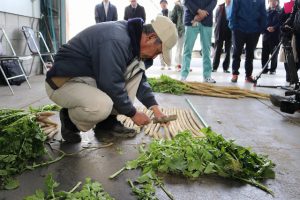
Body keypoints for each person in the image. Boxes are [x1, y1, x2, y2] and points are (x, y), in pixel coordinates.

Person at [45, 16, 178, 143]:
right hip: (64, 82)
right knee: (101, 106)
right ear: (151, 38)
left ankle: (107, 124)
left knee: (134, 74)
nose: (155, 57)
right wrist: (133, 114)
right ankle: (69, 121)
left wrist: (155, 108)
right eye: (158, 51)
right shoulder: (116, 40)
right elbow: (111, 83)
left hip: (87, 78)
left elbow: (139, 79)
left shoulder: (133, 42)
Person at [226, 0, 267, 83]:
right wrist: (233, 27)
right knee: (237, 52)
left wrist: (261, 28)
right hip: (239, 29)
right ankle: (235, 74)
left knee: (250, 54)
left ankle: (248, 75)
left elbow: (263, 14)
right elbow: (232, 11)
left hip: (254, 30)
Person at [181, 0, 217, 83]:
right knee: (187, 49)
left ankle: (207, 75)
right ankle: (183, 75)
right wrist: (198, 11)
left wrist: (204, 13)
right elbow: (186, 1)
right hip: (191, 19)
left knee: (206, 50)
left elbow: (214, 1)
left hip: (207, 20)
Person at [261, 0, 281, 75]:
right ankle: (264, 69)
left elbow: (281, 22)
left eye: (274, 1)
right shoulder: (265, 11)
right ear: (268, 2)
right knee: (264, 53)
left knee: (274, 54)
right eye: (271, 1)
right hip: (266, 35)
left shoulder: (281, 11)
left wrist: (274, 28)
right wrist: (267, 28)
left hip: (276, 36)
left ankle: (273, 69)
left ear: (277, 2)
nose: (273, 2)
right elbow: (262, 22)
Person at [212, 1, 232, 73]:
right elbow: (216, 20)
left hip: (230, 31)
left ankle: (225, 68)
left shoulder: (233, 6)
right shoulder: (220, 7)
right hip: (220, 31)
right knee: (217, 49)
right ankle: (214, 67)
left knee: (228, 50)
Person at [170, 0, 185, 72]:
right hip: (180, 30)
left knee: (186, 49)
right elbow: (172, 17)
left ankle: (185, 65)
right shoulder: (177, 6)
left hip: (189, 29)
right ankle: (177, 65)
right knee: (179, 48)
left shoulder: (189, 4)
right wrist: (175, 28)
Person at [159, 0, 172, 70]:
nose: (163, 4)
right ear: (160, 5)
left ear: (167, 4)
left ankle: (169, 64)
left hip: (169, 33)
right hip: (161, 33)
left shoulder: (171, 13)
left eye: (164, 3)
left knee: (169, 49)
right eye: (162, 4)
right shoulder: (158, 14)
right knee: (161, 50)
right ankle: (162, 65)